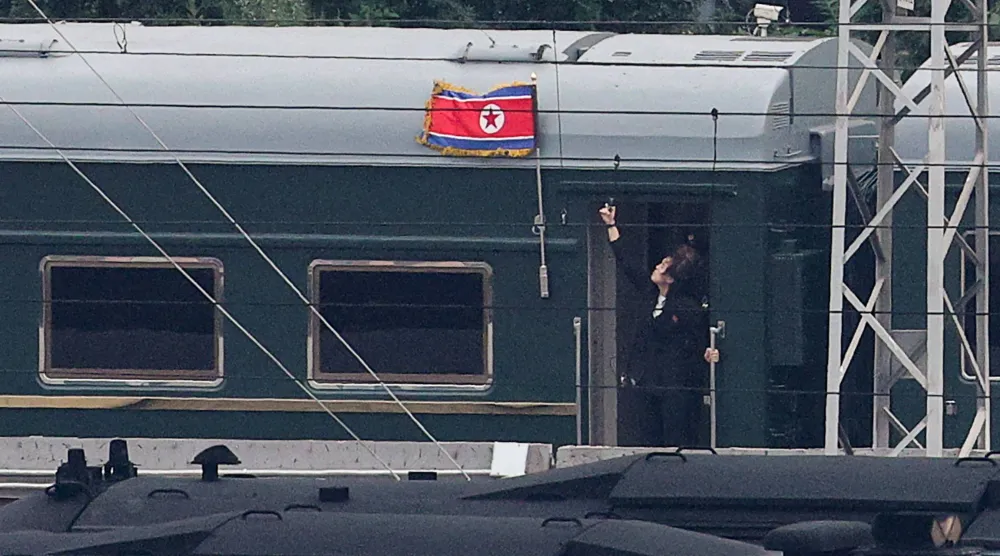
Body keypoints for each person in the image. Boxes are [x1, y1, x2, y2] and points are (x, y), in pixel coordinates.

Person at [599, 203, 719, 448]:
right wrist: (611, 225)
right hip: (647, 381)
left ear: (671, 278)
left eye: (663, 267)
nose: (657, 267)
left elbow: (698, 339)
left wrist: (708, 352)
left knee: (675, 438)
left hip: (675, 386)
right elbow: (627, 264)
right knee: (647, 437)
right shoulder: (649, 292)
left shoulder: (686, 307)